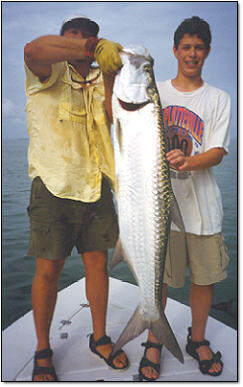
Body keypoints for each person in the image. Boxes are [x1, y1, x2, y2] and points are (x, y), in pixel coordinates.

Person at [24, 15, 129, 381]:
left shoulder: (101, 79)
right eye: (73, 37)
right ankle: (42, 348)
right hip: (52, 185)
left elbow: (114, 116)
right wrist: (89, 48)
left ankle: (99, 336)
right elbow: (32, 49)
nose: (81, 42)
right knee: (48, 270)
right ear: (63, 40)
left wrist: (112, 70)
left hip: (96, 186)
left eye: (89, 38)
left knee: (98, 266)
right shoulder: (46, 72)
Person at [139, 16, 231, 381]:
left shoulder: (219, 98)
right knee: (157, 278)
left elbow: (218, 151)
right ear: (174, 51)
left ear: (206, 52)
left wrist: (188, 160)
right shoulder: (152, 93)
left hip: (203, 209)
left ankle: (197, 339)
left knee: (204, 280)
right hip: (158, 208)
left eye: (199, 47)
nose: (192, 53)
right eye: (186, 47)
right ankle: (153, 340)